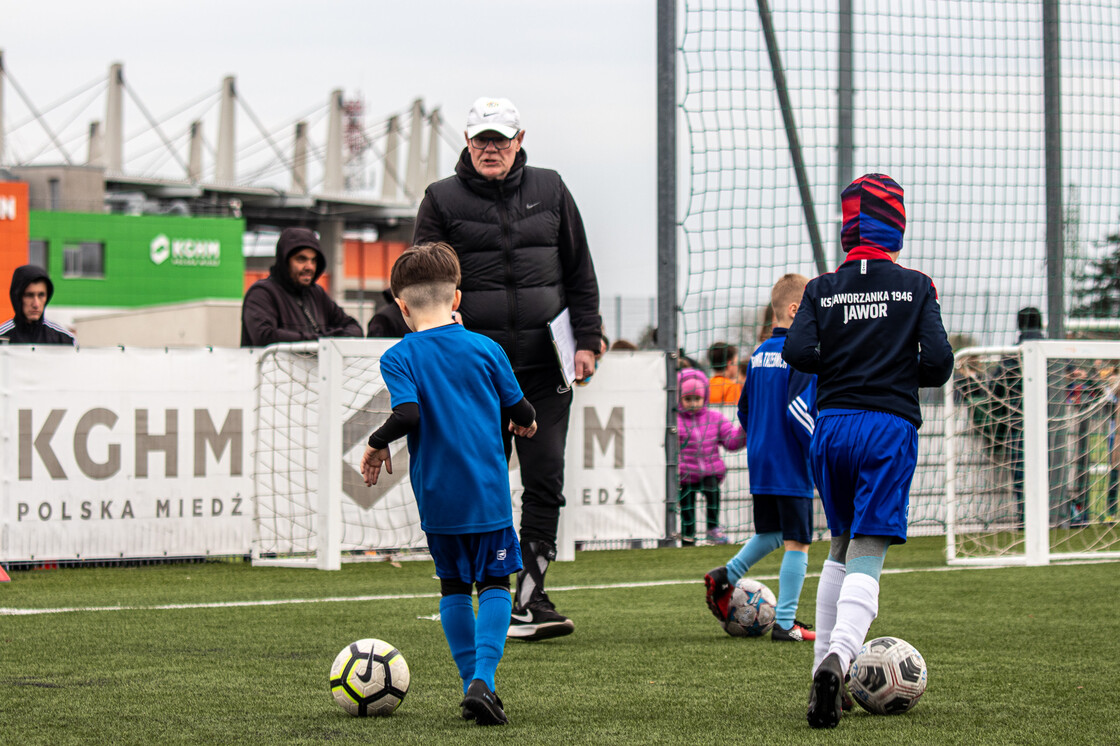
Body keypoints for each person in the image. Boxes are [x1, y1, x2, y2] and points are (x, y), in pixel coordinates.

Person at [413, 96, 601, 641]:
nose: (489, 148)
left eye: (500, 139)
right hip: (473, 375)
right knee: (480, 483)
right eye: (480, 139)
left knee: (545, 481)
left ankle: (530, 597)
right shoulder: (440, 199)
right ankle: (475, 586)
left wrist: (587, 338)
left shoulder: (552, 188)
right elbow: (423, 282)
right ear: (466, 143)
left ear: (520, 141)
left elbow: (579, 271)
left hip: (544, 370)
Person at [781, 174, 953, 729]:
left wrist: (846, 359)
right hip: (887, 424)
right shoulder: (915, 285)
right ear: (896, 229)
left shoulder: (821, 288)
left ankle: (819, 676)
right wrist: (894, 364)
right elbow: (940, 364)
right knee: (870, 549)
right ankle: (840, 655)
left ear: (847, 230)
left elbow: (799, 351)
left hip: (832, 428)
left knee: (839, 543)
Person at [359, 242, 538, 726]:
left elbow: (409, 414)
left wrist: (376, 444)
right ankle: (484, 681)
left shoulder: (399, 356)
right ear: (456, 298)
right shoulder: (487, 349)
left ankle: (470, 688)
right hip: (487, 494)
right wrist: (527, 422)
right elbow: (521, 410)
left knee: (454, 586)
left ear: (401, 306)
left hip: (437, 497)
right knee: (496, 582)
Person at [704, 273, 818, 642]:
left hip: (762, 460)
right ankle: (785, 624)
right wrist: (818, 452)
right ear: (794, 309)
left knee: (770, 532)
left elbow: (745, 411)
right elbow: (799, 412)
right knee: (798, 541)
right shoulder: (801, 355)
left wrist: (762, 442)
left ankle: (725, 575)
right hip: (790, 462)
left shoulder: (758, 355)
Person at [241, 227, 363, 346]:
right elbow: (265, 337)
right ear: (285, 262)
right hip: (273, 367)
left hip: (314, 367)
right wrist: (321, 340)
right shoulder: (262, 293)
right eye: (301, 259)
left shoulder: (317, 294)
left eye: (314, 260)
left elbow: (355, 329)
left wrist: (323, 340)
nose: (309, 267)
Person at [988, 306, 1045, 522]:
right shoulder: (1052, 350)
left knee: (1022, 475)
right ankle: (1055, 518)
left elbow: (996, 390)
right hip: (1053, 425)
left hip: (1018, 422)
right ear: (1040, 322)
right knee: (1049, 472)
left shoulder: (1012, 354)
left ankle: (1025, 520)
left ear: (1019, 324)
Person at [677, 368, 746, 545]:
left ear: (704, 397)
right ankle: (688, 535)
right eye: (688, 399)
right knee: (687, 507)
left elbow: (731, 441)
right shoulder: (675, 420)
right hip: (685, 475)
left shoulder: (714, 418)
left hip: (710, 472)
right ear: (680, 398)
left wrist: (744, 429)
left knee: (713, 494)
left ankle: (713, 528)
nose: (693, 403)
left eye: (697, 399)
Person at [0, 265, 75, 345]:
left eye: (41, 295)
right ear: (17, 297)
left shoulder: (64, 339)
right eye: (29, 295)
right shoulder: (2, 336)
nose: (36, 304)